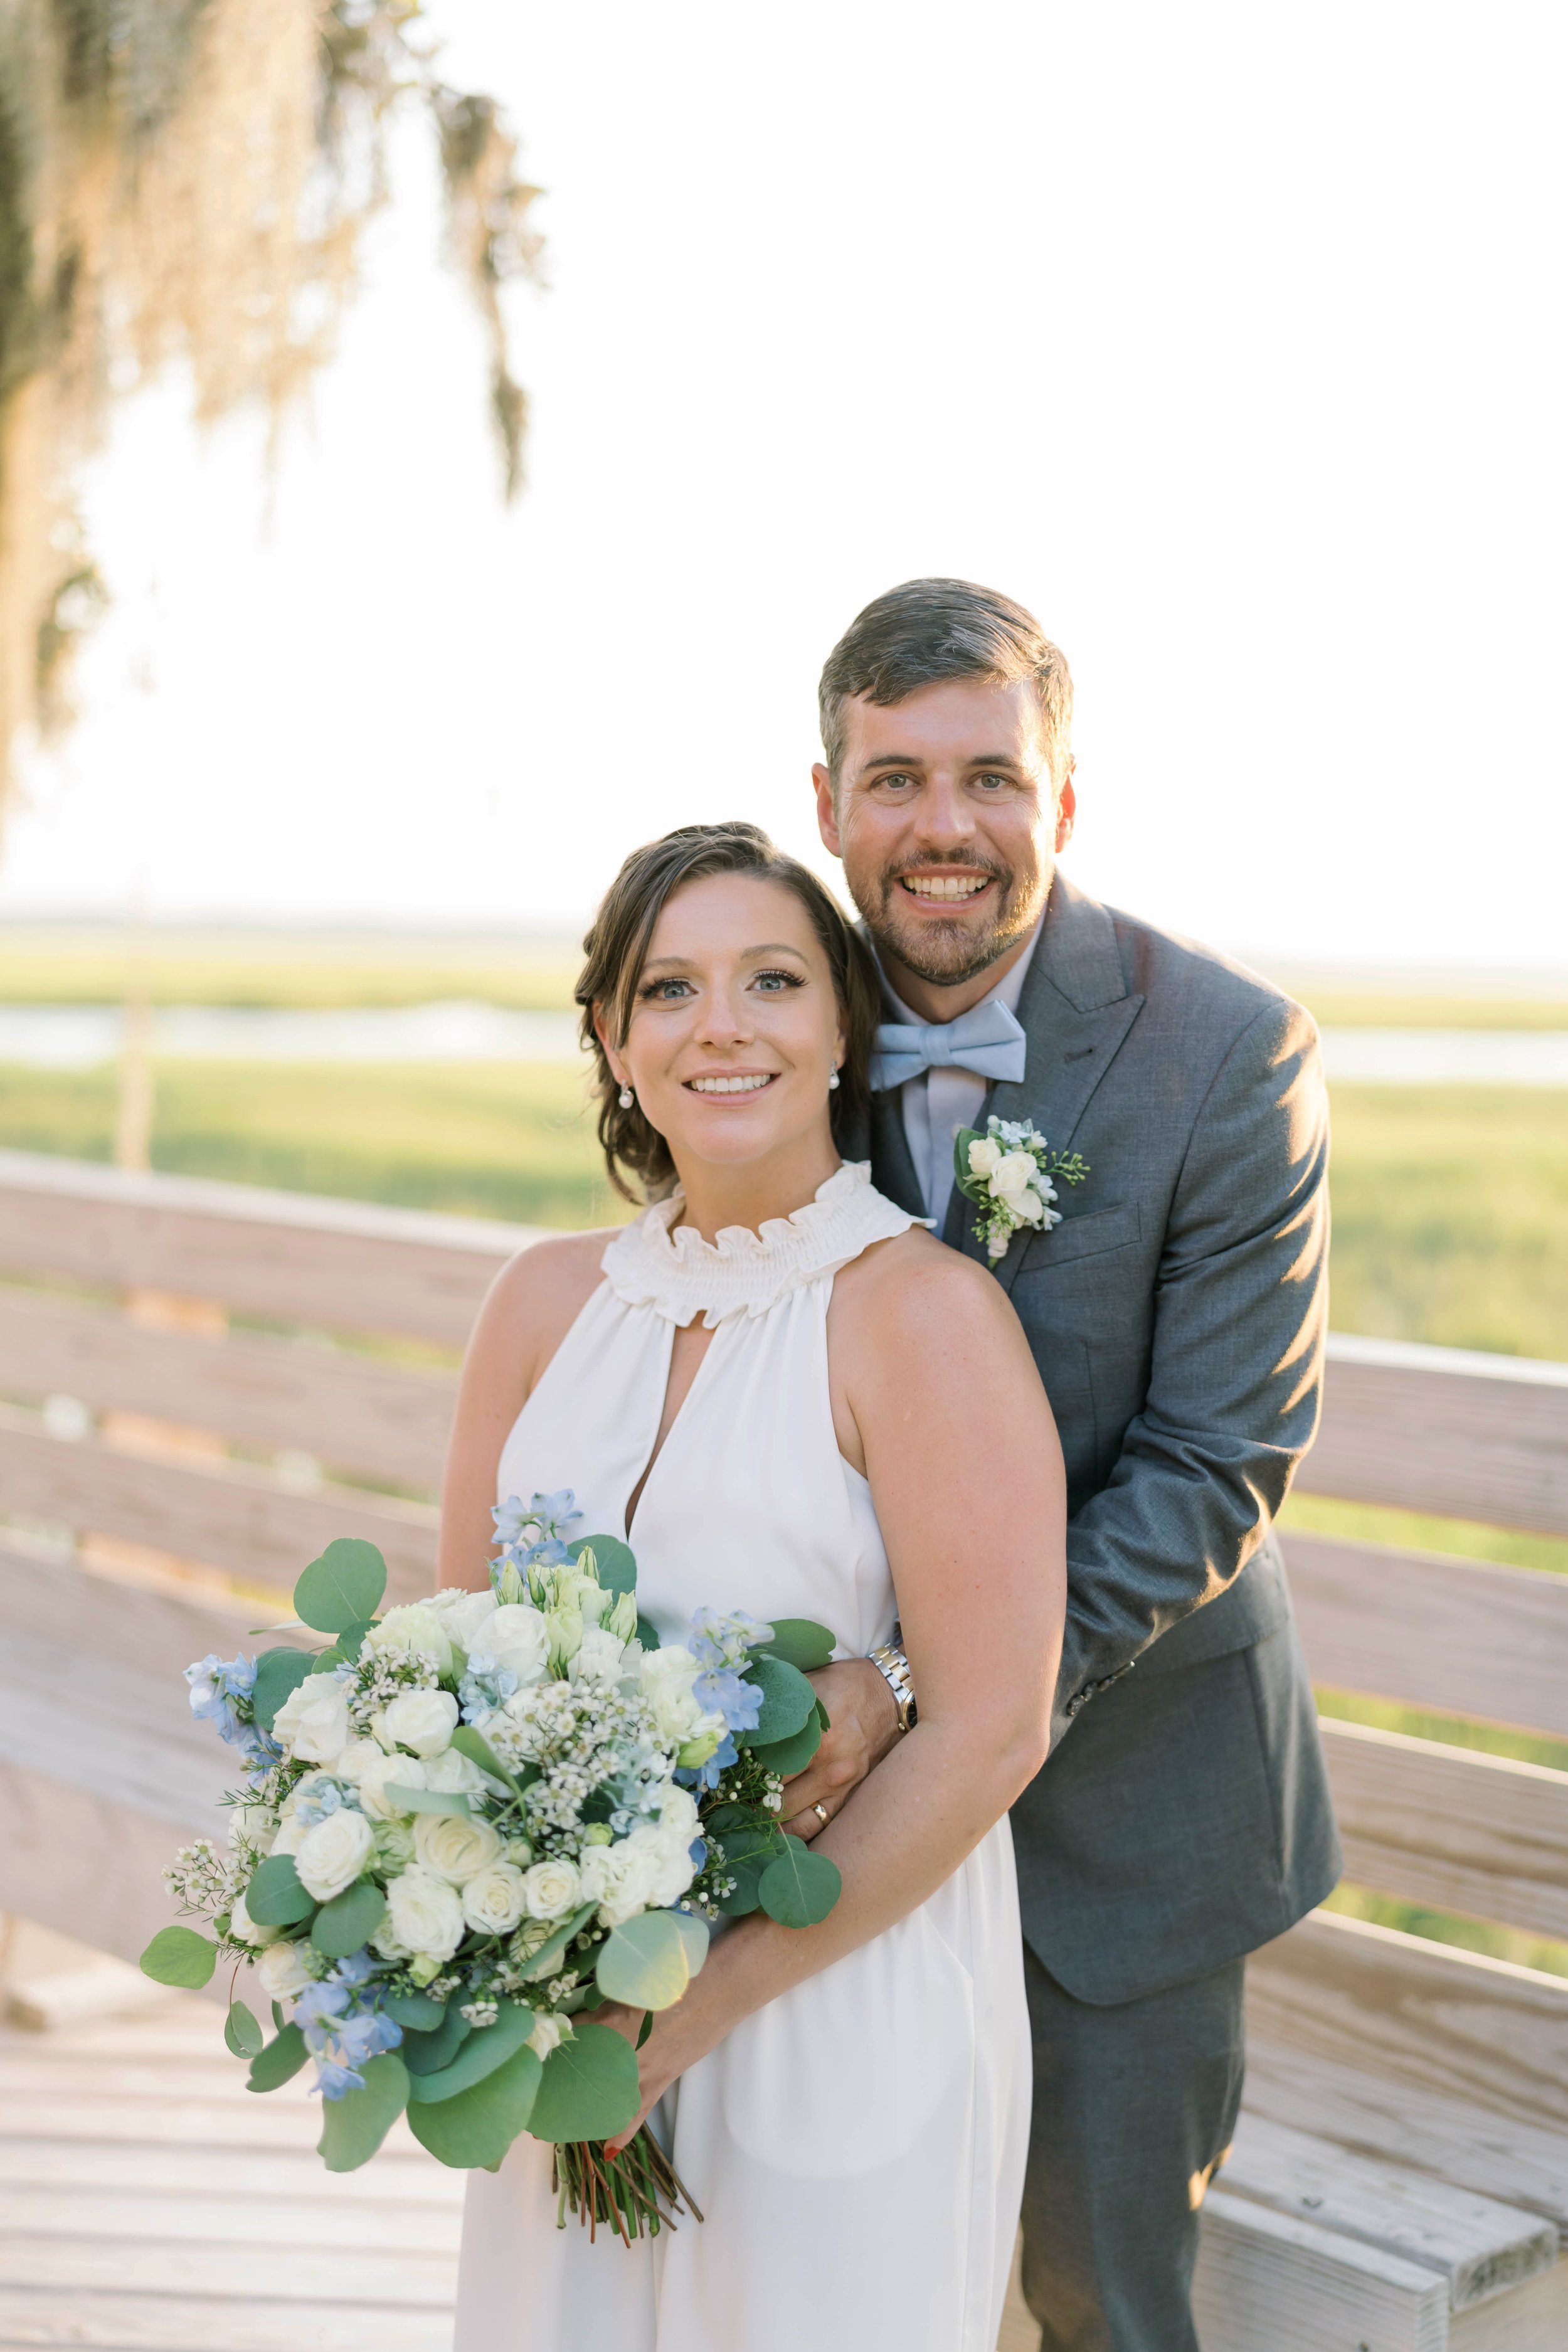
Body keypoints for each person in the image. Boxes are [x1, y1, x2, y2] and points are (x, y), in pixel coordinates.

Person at [797, 577, 1342, 2352]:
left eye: (987, 777)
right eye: (892, 779)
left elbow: (1210, 1462)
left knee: (1099, 2298)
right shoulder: (770, 1026)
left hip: (1130, 1814)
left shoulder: (1225, 1053)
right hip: (829, 1790)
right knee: (847, 2272)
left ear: (1063, 800)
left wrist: (919, 1691)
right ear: (826, 805)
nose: (940, 828)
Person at [439, 820, 1068, 2352]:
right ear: (611, 1035)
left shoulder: (918, 1313)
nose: (718, 1027)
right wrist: (518, 1974)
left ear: (842, 1026)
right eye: (669, 990)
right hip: (569, 2005)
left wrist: (690, 2015)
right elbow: (442, 1666)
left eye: (771, 981)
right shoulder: (537, 1301)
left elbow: (989, 1727)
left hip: (827, 1995)